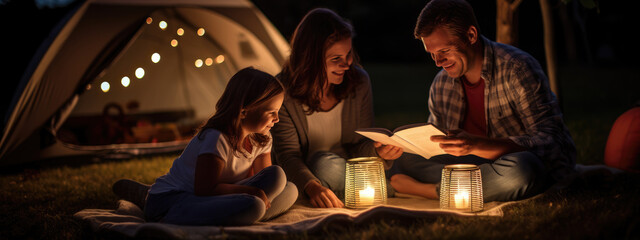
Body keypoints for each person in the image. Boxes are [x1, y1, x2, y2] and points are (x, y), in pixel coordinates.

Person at [387, 0, 576, 202]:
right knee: (405, 160)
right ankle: (476, 185)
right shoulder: (441, 84)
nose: (438, 62)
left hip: (512, 162)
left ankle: (432, 190)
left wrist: (477, 145)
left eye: (444, 51)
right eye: (432, 54)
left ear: (471, 35)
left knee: (522, 171)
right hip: (471, 167)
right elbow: (437, 149)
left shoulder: (517, 68)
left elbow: (552, 142)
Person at [114, 67, 297, 226]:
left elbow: (264, 183)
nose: (277, 119)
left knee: (285, 184)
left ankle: (244, 215)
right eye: (271, 112)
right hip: (179, 198)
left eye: (278, 112)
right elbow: (205, 189)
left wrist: (254, 191)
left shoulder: (262, 138)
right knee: (255, 204)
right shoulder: (216, 138)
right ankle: (157, 207)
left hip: (217, 198)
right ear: (243, 111)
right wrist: (252, 191)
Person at [271, 8, 402, 208]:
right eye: (336, 59)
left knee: (328, 165)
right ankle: (391, 188)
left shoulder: (358, 83)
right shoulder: (283, 93)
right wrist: (312, 186)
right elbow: (288, 156)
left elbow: (360, 145)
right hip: (308, 176)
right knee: (322, 164)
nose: (347, 64)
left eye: (349, 54)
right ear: (310, 60)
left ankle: (365, 189)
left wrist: (379, 153)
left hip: (347, 169)